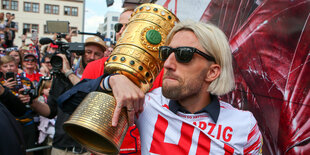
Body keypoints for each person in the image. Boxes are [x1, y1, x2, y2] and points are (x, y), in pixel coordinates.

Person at [59, 21, 262, 154]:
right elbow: (67, 103)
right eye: (166, 53)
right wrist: (110, 81)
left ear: (212, 72)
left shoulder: (244, 126)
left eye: (184, 54)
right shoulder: (146, 105)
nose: (167, 64)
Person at [30, 36, 106, 155]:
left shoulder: (105, 81)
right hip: (61, 148)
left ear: (103, 57)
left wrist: (68, 72)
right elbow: (50, 111)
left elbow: (89, 95)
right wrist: (32, 102)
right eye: (88, 52)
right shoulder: (61, 78)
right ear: (80, 53)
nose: (92, 57)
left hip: (89, 149)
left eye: (97, 54)